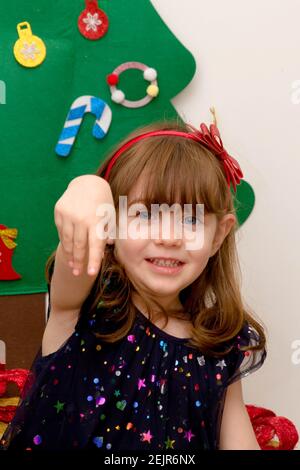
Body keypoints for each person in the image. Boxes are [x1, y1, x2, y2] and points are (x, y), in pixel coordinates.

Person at [1, 118, 267, 451]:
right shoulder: (85, 305)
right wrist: (89, 188)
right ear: (108, 224)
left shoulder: (220, 345)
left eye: (190, 219)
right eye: (145, 215)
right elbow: (80, 245)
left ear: (218, 235)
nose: (169, 237)